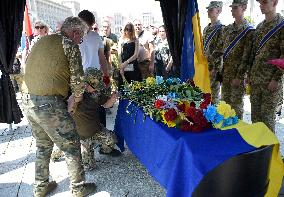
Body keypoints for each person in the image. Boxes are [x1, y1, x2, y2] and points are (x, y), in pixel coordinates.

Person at [21, 17, 97, 197]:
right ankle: (78, 188)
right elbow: (78, 81)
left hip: (27, 99)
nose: (81, 41)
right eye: (82, 37)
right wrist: (75, 100)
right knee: (71, 144)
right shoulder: (69, 44)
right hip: (49, 104)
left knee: (43, 145)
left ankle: (40, 186)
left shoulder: (42, 40)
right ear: (75, 32)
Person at [71, 67, 120, 170]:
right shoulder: (75, 94)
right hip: (81, 136)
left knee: (111, 139)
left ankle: (103, 150)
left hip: (96, 130)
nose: (98, 88)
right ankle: (63, 151)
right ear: (86, 84)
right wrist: (76, 97)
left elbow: (106, 105)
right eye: (95, 86)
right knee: (89, 167)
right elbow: (67, 109)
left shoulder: (96, 93)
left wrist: (112, 99)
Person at [215, 0, 254, 119]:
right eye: (232, 8)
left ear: (244, 8)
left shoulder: (249, 31)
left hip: (237, 75)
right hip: (225, 74)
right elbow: (219, 50)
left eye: (235, 8)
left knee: (236, 108)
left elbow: (246, 57)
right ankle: (224, 132)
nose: (232, 10)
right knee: (224, 106)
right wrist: (216, 68)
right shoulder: (227, 29)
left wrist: (240, 76)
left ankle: (236, 134)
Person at [249, 0, 283, 132]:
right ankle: (257, 151)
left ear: (275, 3)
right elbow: (254, 53)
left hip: (270, 82)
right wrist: (249, 74)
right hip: (256, 80)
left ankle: (269, 152)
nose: (260, 5)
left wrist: (276, 79)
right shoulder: (260, 27)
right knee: (255, 120)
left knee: (267, 122)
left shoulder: (281, 25)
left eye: (264, 2)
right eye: (259, 2)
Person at [78, 10, 109, 128]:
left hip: (81, 78)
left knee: (84, 108)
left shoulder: (73, 37)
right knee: (99, 105)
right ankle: (100, 130)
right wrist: (106, 76)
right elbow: (102, 59)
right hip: (95, 78)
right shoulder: (96, 37)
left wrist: (106, 75)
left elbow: (102, 58)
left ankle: (89, 134)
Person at [203, 1, 224, 104]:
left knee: (213, 97)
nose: (208, 11)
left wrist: (215, 69)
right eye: (208, 10)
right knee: (203, 96)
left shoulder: (222, 29)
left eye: (211, 10)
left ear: (219, 11)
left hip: (213, 70)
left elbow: (220, 51)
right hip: (203, 67)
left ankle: (213, 119)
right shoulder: (206, 29)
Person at [118, 23, 141, 88]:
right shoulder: (121, 40)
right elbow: (119, 54)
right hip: (123, 66)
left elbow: (136, 55)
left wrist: (126, 62)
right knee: (123, 87)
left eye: (130, 29)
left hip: (133, 66)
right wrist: (121, 66)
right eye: (127, 29)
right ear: (124, 30)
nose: (128, 31)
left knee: (134, 87)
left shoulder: (136, 40)